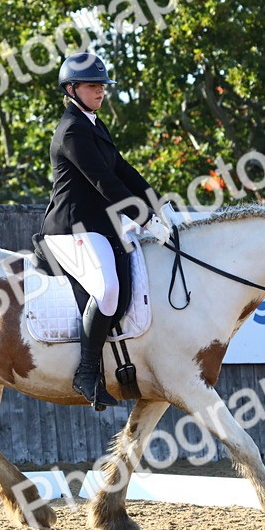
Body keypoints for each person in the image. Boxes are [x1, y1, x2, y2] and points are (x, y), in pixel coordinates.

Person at [38, 52, 175, 410]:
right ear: (71, 89)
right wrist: (144, 217)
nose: (100, 92)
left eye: (102, 86)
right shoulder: (71, 131)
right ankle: (86, 372)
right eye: (92, 86)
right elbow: (104, 182)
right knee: (108, 289)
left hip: (100, 226)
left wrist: (160, 205)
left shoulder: (95, 125)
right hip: (71, 228)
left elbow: (123, 170)